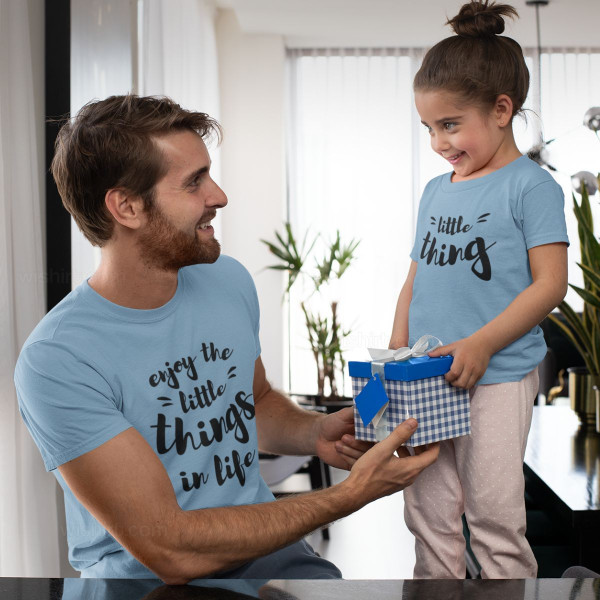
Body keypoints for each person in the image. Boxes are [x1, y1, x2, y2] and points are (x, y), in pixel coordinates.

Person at [14, 94, 439, 583]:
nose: (218, 195)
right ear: (126, 207)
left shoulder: (226, 280)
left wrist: (312, 432)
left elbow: (251, 400)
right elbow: (169, 549)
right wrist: (348, 494)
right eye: (194, 182)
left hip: (267, 553)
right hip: (146, 582)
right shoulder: (59, 359)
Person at [389, 0, 569, 580]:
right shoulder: (435, 191)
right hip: (426, 375)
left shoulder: (531, 188)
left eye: (449, 125)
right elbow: (416, 278)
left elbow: (551, 286)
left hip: (496, 374)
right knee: (429, 510)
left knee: (493, 513)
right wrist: (396, 355)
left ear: (500, 109)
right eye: (428, 128)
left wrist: (483, 343)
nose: (439, 142)